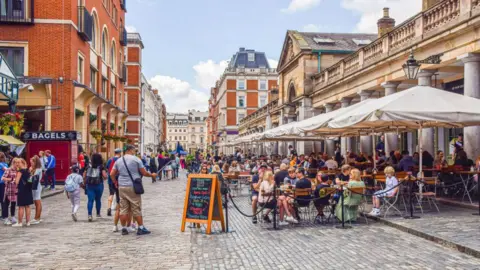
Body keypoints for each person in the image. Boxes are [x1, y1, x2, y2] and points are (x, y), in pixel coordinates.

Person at [110, 144, 157, 236]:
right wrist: (152, 175)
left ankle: (124, 228)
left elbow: (112, 174)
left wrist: (115, 182)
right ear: (130, 150)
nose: (134, 151)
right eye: (134, 150)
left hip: (121, 187)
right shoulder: (136, 159)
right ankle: (140, 227)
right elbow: (143, 172)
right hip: (133, 186)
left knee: (123, 209)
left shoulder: (119, 160)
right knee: (136, 207)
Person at [84, 153, 107, 222]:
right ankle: (98, 213)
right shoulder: (101, 166)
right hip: (99, 184)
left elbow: (84, 175)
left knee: (90, 200)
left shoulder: (88, 166)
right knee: (98, 199)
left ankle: (90, 215)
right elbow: (105, 176)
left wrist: (85, 182)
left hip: (90, 185)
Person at [13, 158, 32, 227]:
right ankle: (28, 222)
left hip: (22, 189)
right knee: (27, 206)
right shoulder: (28, 170)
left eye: (19, 162)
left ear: (23, 163)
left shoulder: (20, 171)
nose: (17, 164)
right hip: (28, 189)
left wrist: (15, 179)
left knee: (21, 207)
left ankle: (20, 222)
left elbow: (16, 182)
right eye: (17, 163)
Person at [2, 158, 18, 225]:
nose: (17, 164)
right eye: (16, 163)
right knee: (6, 204)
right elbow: (3, 178)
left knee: (13, 203)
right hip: (8, 189)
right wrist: (11, 179)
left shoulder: (18, 170)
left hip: (15, 189)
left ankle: (13, 216)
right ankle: (5, 218)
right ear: (13, 163)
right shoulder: (8, 169)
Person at [106, 149, 122, 217]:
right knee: (118, 195)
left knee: (111, 193)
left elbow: (107, 168)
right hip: (118, 180)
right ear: (120, 153)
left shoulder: (110, 160)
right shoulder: (121, 160)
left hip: (110, 179)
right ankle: (118, 209)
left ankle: (109, 207)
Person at [30, 155, 43, 224]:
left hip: (36, 187)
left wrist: (30, 170)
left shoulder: (37, 169)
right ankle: (38, 217)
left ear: (35, 162)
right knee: (38, 202)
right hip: (37, 186)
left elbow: (32, 177)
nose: (31, 164)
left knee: (37, 202)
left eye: (32, 162)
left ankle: (36, 218)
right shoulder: (38, 169)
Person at [0, 152, 8, 221]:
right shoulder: (5, 164)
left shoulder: (0, 164)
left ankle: (4, 215)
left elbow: (6, 170)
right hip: (4, 183)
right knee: (3, 199)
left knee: (2, 199)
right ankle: (4, 214)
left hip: (1, 183)